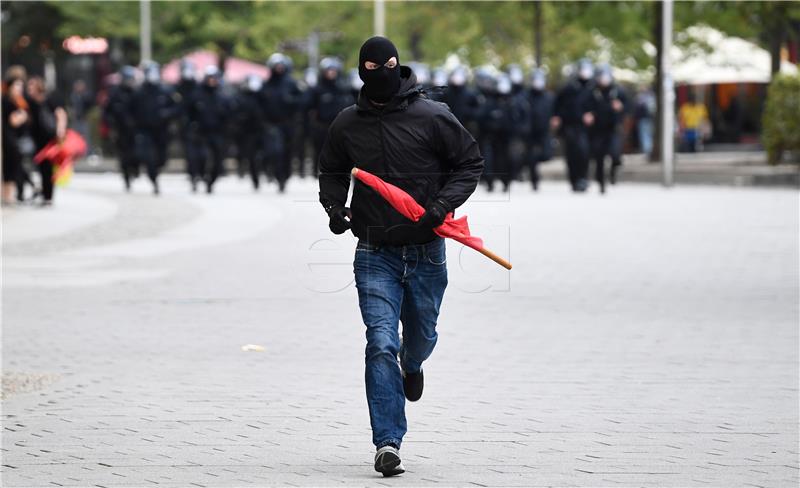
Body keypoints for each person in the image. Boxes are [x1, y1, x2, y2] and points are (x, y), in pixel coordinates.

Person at [318, 36, 484, 477]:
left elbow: (470, 163)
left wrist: (441, 205)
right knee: (379, 342)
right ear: (361, 71)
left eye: (389, 65)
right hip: (375, 252)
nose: (381, 74)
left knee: (421, 336)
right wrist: (335, 208)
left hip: (427, 250)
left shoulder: (433, 116)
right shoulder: (347, 124)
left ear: (400, 66)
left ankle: (414, 364)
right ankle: (387, 442)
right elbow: (332, 170)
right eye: (372, 68)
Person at [132, 61, 176, 195]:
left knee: (161, 158)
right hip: (144, 130)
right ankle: (153, 178)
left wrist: (167, 114)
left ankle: (156, 172)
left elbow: (177, 107)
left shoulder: (166, 91)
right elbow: (130, 110)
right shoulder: (139, 92)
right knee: (147, 156)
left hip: (161, 130)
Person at [261, 53, 301, 192]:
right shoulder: (266, 84)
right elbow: (260, 104)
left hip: (288, 123)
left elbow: (302, 101)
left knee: (287, 152)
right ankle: (277, 175)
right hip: (272, 124)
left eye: (281, 66)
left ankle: (285, 176)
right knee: (275, 151)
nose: (279, 68)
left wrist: (291, 101)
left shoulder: (291, 84)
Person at [552, 58, 594, 192]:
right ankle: (574, 180)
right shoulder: (569, 88)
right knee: (572, 154)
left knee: (584, 152)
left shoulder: (593, 87)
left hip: (586, 127)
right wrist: (557, 117)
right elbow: (558, 105)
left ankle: (582, 178)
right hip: (570, 125)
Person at [26, 76, 68, 205]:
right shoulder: (29, 102)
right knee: (40, 167)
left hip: (49, 138)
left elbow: (60, 114)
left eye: (31, 87)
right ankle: (44, 193)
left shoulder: (49, 100)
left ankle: (48, 196)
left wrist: (60, 131)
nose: (29, 90)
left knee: (47, 167)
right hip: (35, 138)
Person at [308, 57, 353, 178]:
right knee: (320, 151)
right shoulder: (317, 90)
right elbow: (309, 107)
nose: (331, 73)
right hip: (322, 126)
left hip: (340, 126)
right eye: (328, 70)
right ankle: (319, 170)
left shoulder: (343, 89)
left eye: (333, 70)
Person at [189, 66, 229, 194]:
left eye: (214, 78)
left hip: (218, 132)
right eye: (210, 78)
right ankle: (199, 176)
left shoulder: (222, 95)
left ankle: (211, 181)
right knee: (201, 156)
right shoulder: (197, 94)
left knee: (218, 160)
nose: (212, 81)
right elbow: (188, 112)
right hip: (201, 132)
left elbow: (229, 114)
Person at [103, 66, 139, 191]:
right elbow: (106, 112)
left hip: (135, 130)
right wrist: (111, 126)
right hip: (120, 129)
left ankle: (135, 170)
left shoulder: (136, 93)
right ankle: (126, 178)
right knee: (123, 155)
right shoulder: (115, 93)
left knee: (136, 153)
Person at [2, 67, 30, 205]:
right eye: (17, 85)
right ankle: (7, 195)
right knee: (10, 167)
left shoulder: (17, 101)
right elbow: (13, 120)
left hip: (12, 139)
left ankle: (9, 195)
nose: (20, 89)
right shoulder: (7, 100)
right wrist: (23, 116)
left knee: (12, 167)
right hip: (8, 139)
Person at [235, 74, 268, 190]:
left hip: (264, 130)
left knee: (271, 153)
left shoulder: (264, 97)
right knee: (252, 157)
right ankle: (255, 179)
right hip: (248, 132)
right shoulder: (242, 97)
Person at [174, 60, 203, 192]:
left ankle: (200, 174)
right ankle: (193, 175)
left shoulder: (198, 89)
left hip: (201, 128)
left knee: (202, 155)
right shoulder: (177, 89)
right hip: (186, 127)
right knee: (190, 154)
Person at [524, 68, 554, 191]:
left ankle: (533, 160)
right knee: (531, 156)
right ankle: (534, 180)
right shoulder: (525, 96)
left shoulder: (549, 97)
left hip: (544, 130)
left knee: (547, 154)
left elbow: (554, 110)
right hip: (529, 131)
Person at [634, 85, 655, 156]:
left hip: (644, 118)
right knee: (648, 134)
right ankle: (648, 149)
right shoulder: (652, 97)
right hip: (649, 118)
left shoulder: (641, 98)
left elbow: (637, 108)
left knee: (645, 135)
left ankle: (647, 150)